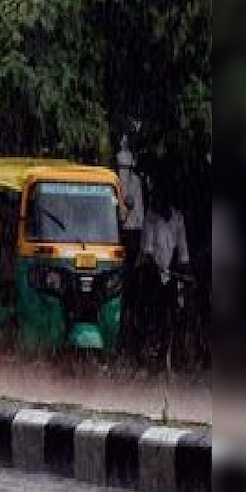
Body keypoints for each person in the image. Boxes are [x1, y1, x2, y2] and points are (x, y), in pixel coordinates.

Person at [137, 180, 191, 362]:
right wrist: (160, 272)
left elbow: (183, 252)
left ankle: (173, 348)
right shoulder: (150, 218)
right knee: (152, 308)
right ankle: (148, 343)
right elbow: (147, 251)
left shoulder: (178, 218)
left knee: (176, 310)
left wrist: (181, 271)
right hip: (151, 273)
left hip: (170, 275)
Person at [116, 137, 145, 354]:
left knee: (131, 291)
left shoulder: (136, 182)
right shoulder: (113, 179)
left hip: (132, 236)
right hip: (117, 235)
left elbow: (139, 216)